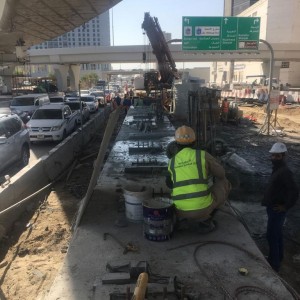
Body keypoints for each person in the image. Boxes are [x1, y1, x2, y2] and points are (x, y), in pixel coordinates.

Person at [165, 126, 231, 233]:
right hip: (203, 208)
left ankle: (183, 220)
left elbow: (169, 183)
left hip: (179, 210)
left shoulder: (171, 162)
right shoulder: (202, 155)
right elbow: (221, 174)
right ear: (194, 142)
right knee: (224, 182)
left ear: (176, 144)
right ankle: (205, 221)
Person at [262, 142, 299, 272]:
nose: (274, 159)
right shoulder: (278, 169)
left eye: (277, 156)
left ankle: (274, 264)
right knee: (276, 234)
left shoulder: (285, 172)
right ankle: (278, 257)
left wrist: (285, 207)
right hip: (273, 207)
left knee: (271, 235)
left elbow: (294, 191)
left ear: (283, 156)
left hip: (277, 209)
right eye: (273, 156)